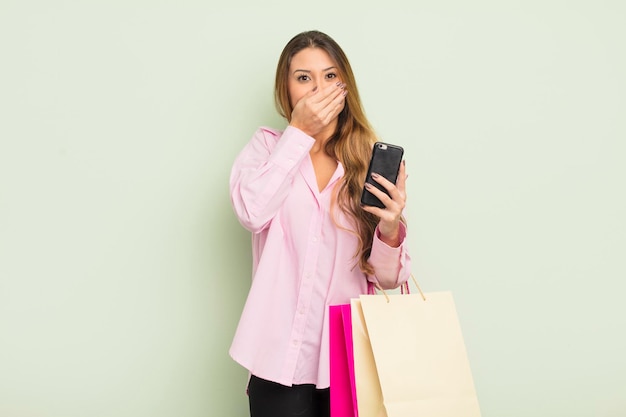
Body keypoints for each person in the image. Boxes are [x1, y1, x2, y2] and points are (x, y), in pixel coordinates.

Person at [229, 30, 411, 417]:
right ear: (287, 89)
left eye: (329, 76)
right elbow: (251, 212)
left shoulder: (366, 161)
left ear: (345, 85)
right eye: (303, 77)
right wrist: (299, 134)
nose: (318, 88)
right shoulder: (266, 149)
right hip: (276, 358)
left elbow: (389, 280)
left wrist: (391, 229)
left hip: (347, 359)